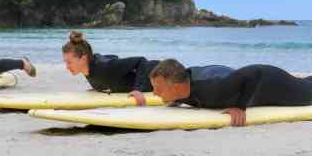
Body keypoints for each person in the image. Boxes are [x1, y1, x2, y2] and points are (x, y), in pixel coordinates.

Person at [149, 59, 312, 127]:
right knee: (309, 84)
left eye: (159, 88)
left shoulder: (212, 86)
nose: (155, 93)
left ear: (176, 85)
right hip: (261, 92)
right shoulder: (185, 90)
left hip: (271, 82)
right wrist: (175, 102)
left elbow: (254, 73)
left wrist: (240, 107)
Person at [62, 30, 233, 106]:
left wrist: (137, 90)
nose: (67, 66)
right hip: (157, 82)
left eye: (69, 62)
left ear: (83, 58)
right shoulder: (89, 70)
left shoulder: (105, 67)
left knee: (199, 77)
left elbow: (141, 61)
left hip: (158, 74)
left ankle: (230, 75)